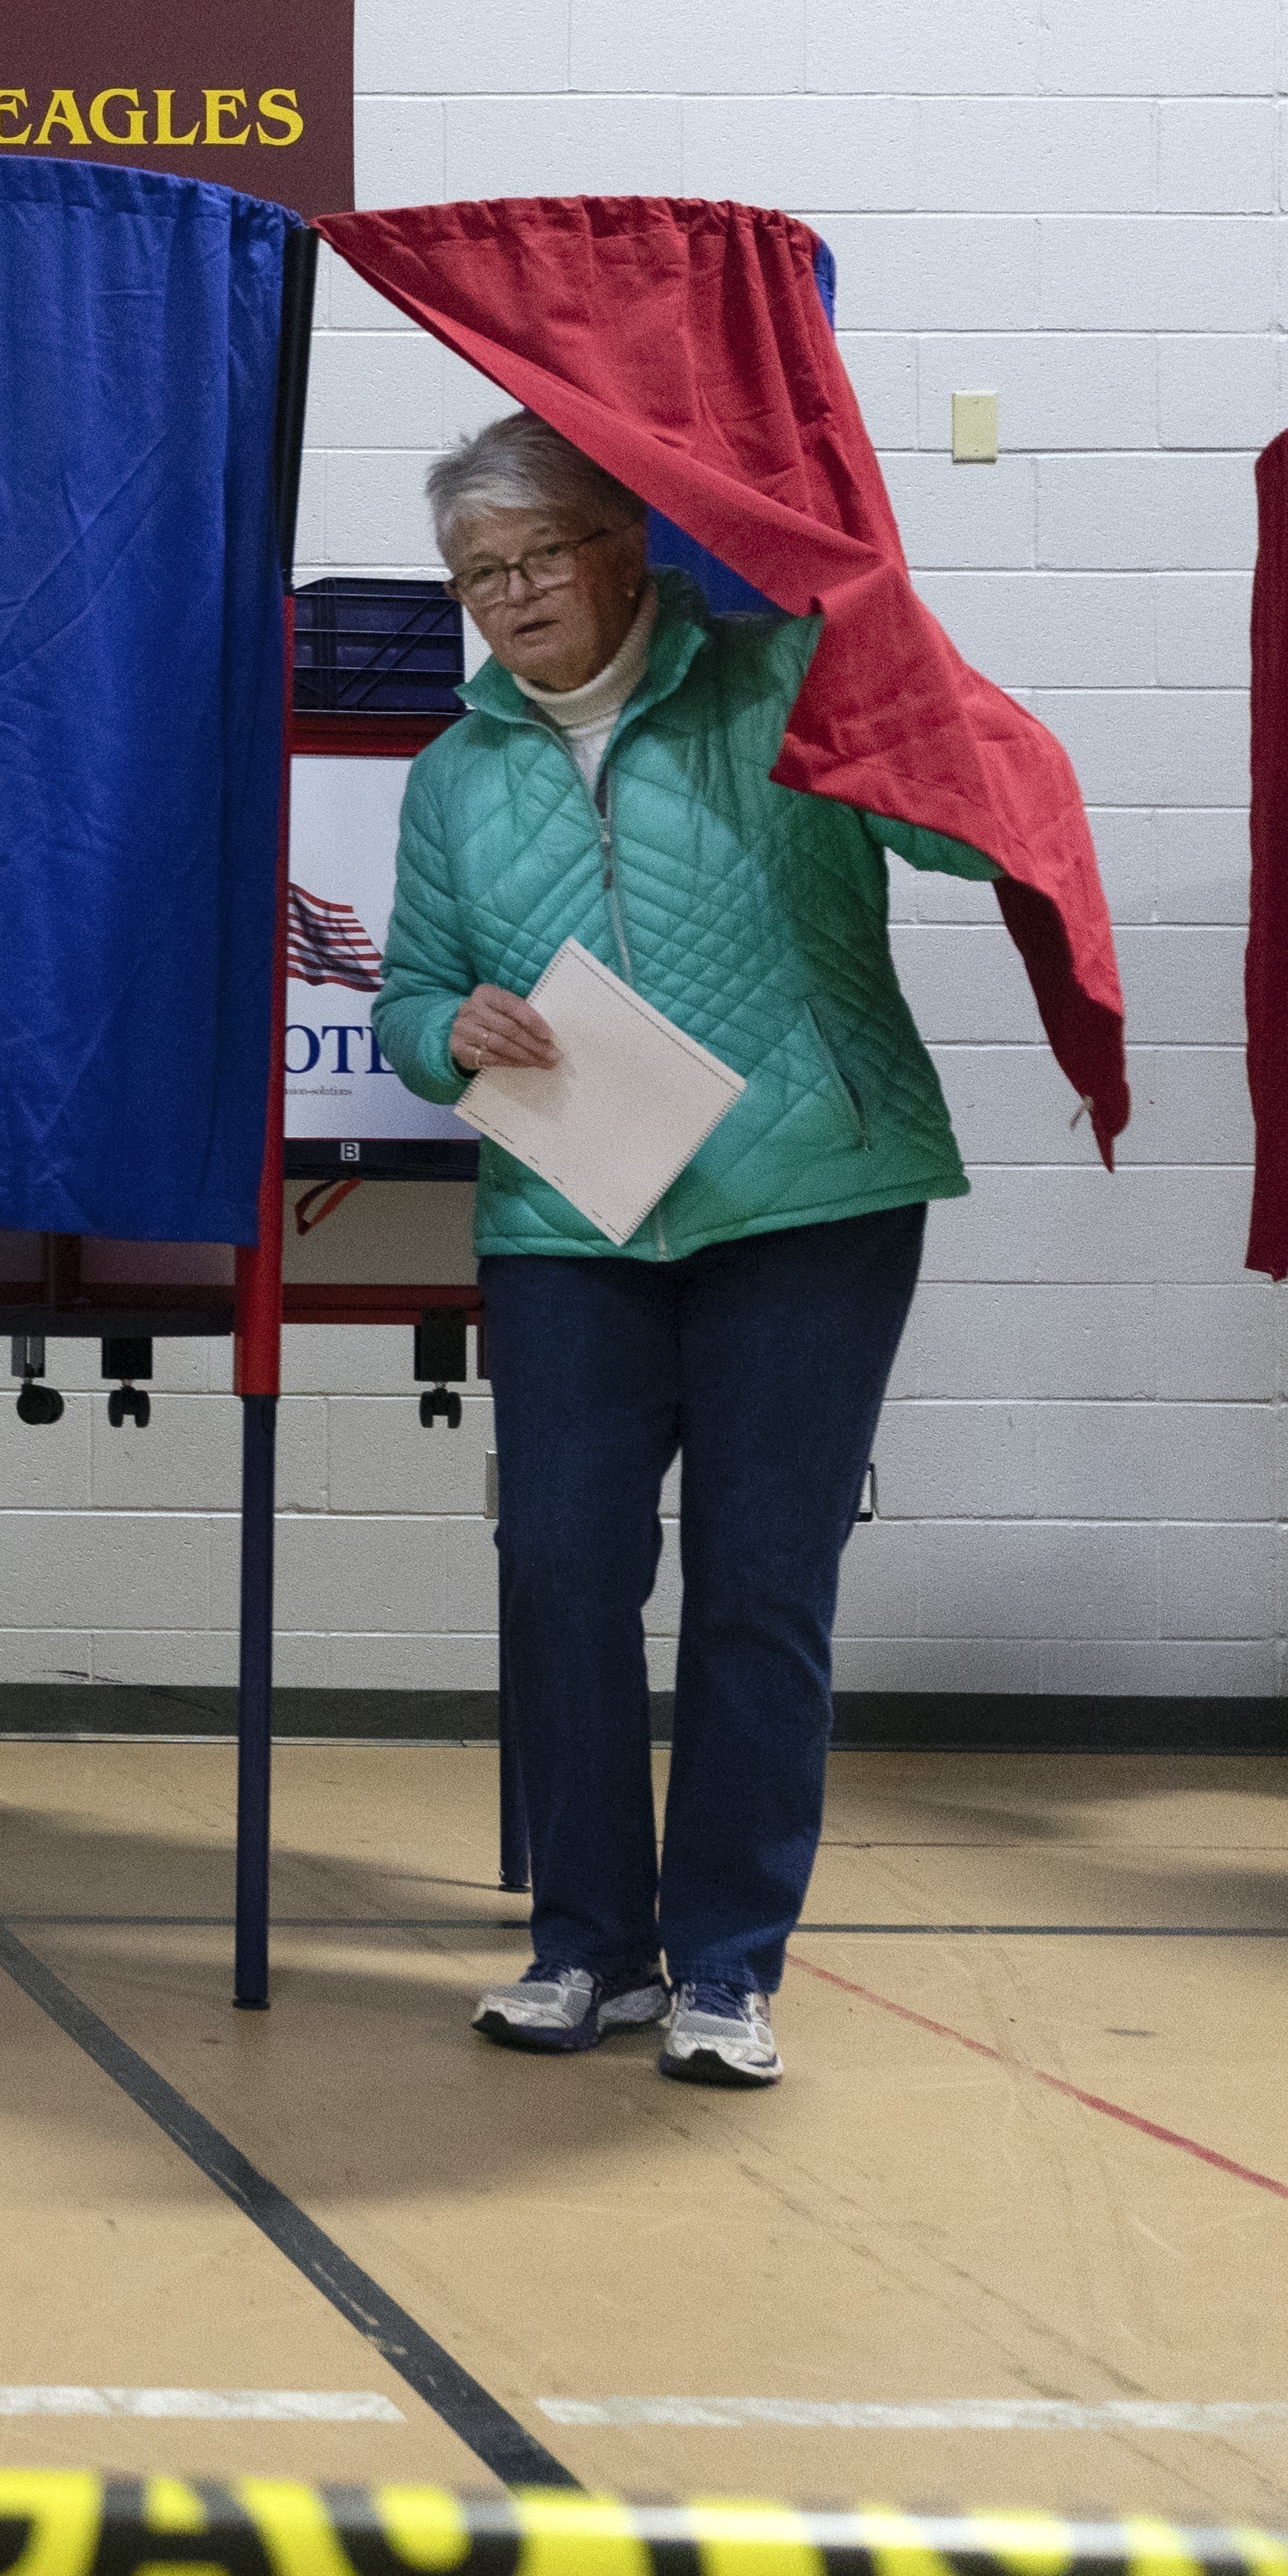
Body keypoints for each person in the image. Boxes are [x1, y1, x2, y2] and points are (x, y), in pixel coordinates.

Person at [373, 413, 994, 2088]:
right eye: (475, 575)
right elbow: (405, 996)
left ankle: (724, 1963)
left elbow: (959, 824)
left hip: (808, 1202)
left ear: (621, 548)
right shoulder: (455, 770)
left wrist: (881, 645)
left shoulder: (778, 684)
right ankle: (586, 1943)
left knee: (758, 1587)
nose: (506, 599)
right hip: (570, 1209)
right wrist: (453, 1031)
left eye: (535, 559)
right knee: (559, 1565)